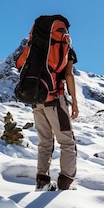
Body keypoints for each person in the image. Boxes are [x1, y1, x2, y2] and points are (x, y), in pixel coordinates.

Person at [34, 47, 79, 191]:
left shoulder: (35, 47)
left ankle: (42, 181)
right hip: (55, 99)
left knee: (45, 142)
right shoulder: (64, 47)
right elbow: (69, 75)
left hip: (36, 100)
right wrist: (75, 101)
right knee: (67, 142)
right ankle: (65, 184)